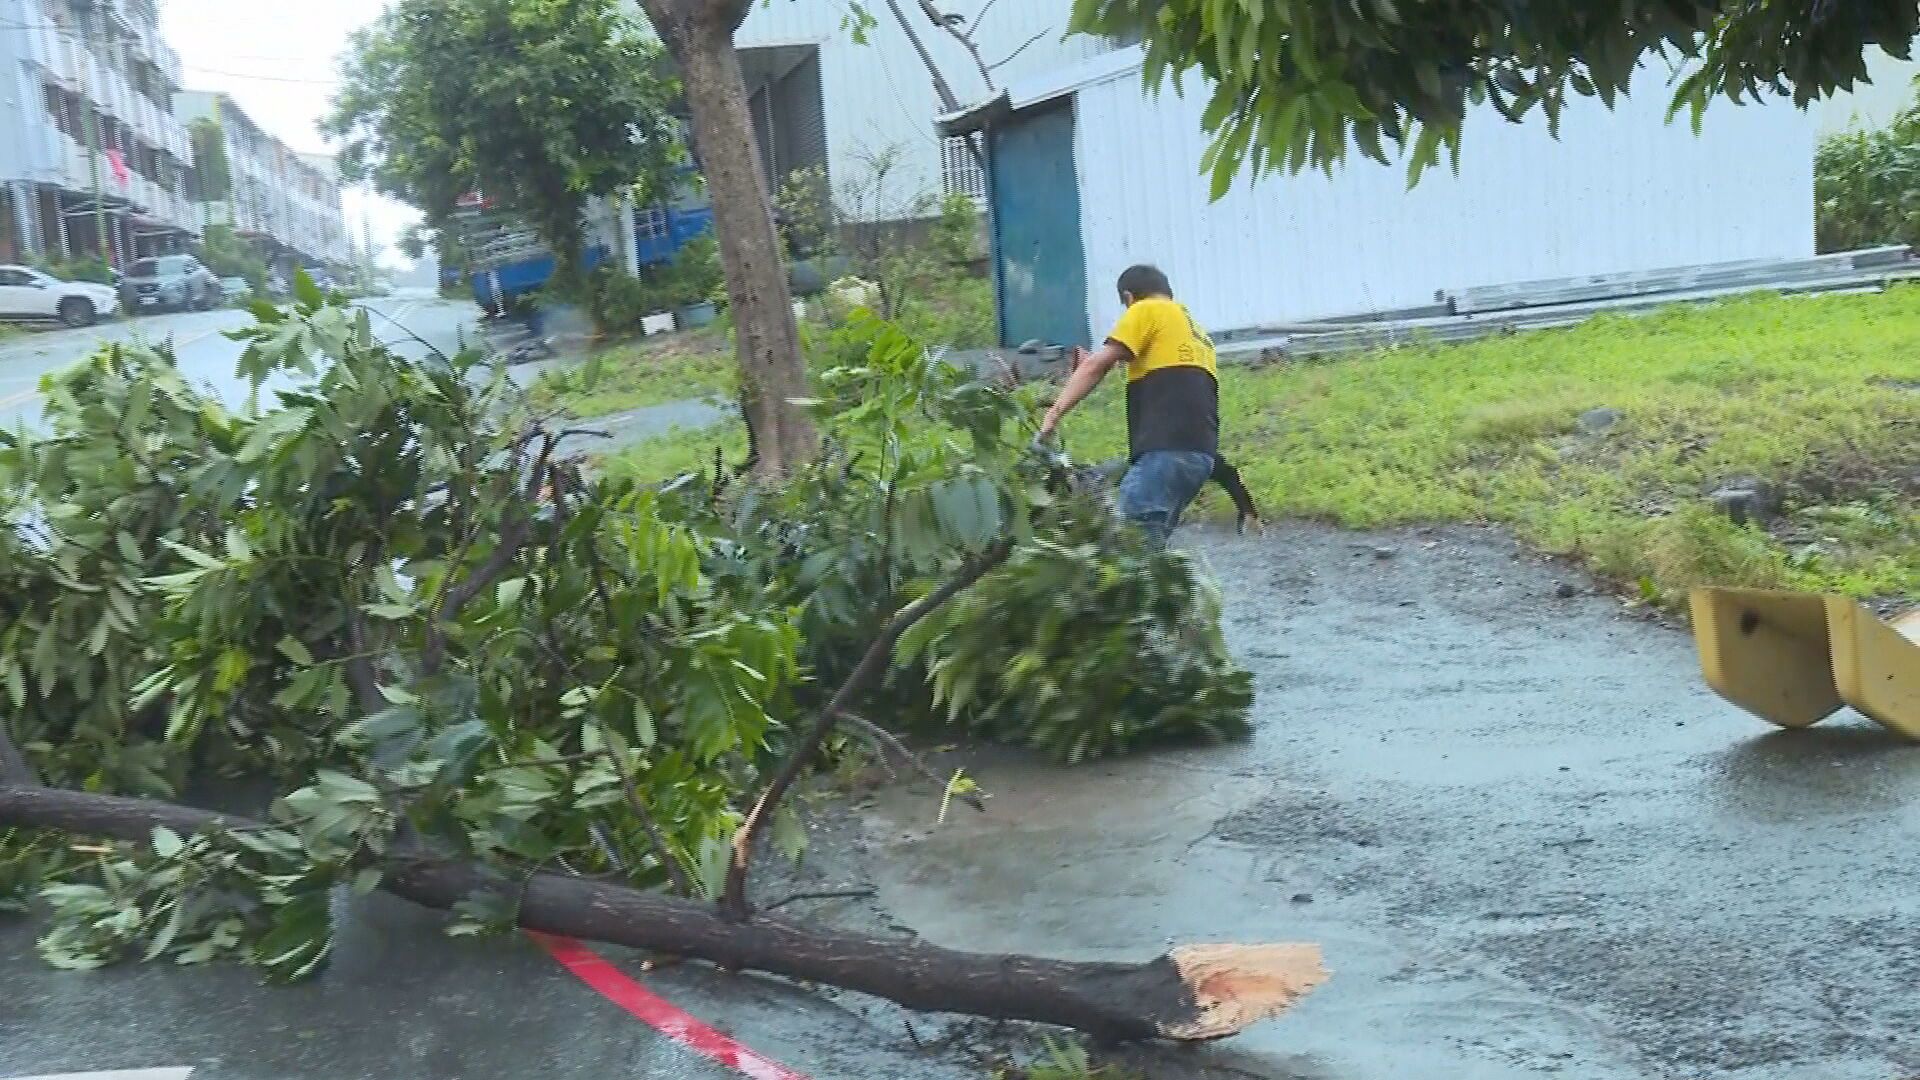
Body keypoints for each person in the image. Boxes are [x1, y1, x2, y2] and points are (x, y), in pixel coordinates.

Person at [1037, 264, 1232, 546]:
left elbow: (1096, 365)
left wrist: (1054, 413)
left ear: (1129, 298)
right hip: (1199, 458)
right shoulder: (1197, 334)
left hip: (1165, 452)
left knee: (1127, 549)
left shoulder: (1146, 309)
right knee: (1149, 548)